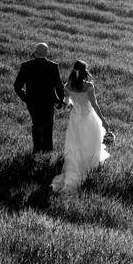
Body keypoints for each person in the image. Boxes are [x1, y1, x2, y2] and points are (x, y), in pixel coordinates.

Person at [51, 60, 112, 193]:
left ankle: (74, 169)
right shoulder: (89, 86)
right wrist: (104, 121)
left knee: (75, 144)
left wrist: (65, 104)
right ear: (86, 72)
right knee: (90, 143)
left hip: (75, 119)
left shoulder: (68, 86)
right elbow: (95, 106)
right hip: (89, 119)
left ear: (73, 71)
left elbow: (67, 104)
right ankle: (88, 167)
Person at [13, 42, 65, 156]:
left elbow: (17, 86)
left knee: (36, 124)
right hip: (48, 101)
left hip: (32, 102)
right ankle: (48, 151)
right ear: (46, 53)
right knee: (48, 125)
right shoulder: (53, 66)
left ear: (35, 52)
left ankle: (37, 150)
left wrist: (26, 98)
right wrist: (61, 100)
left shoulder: (26, 66)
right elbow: (59, 85)